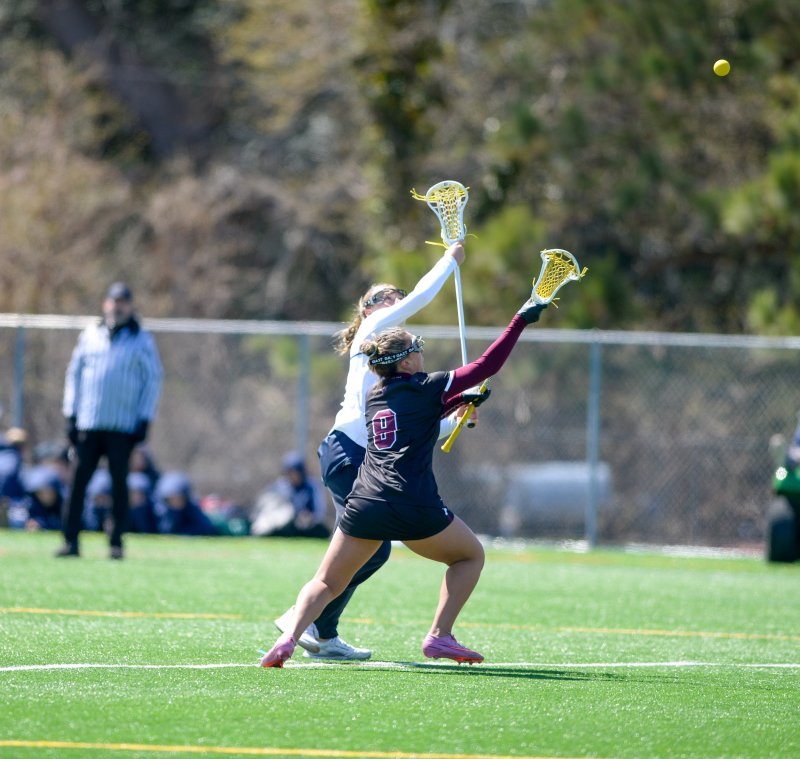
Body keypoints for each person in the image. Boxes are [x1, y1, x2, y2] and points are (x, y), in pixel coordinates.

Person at [260, 293, 548, 668]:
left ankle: (287, 639)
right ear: (407, 360)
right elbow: (486, 364)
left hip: (366, 503)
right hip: (415, 504)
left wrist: (460, 403)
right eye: (418, 346)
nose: (423, 351)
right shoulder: (428, 386)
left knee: (326, 582)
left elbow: (419, 415)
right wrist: (520, 320)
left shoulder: (375, 396)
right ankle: (440, 635)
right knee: (469, 556)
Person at [274, 241, 467, 661]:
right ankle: (306, 621)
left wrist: (455, 420)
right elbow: (422, 296)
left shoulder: (390, 360)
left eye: (397, 296)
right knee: (373, 547)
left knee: (372, 549)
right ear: (368, 310)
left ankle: (319, 631)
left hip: (354, 457)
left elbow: (408, 432)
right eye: (387, 296)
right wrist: (449, 261)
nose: (397, 301)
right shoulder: (373, 329)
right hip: (348, 453)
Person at [56, 282, 163, 560]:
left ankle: (116, 542)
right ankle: (70, 540)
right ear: (106, 304)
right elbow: (74, 374)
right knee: (78, 483)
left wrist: (144, 419)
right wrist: (71, 414)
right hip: (89, 423)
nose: (118, 307)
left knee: (119, 486)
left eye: (123, 302)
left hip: (122, 426)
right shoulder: (90, 334)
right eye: (114, 301)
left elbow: (152, 380)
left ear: (130, 306)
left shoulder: (141, 340)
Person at [251, 452, 331, 539]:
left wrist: (310, 517)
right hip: (283, 523)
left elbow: (318, 511)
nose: (290, 476)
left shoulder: (311, 487)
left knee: (320, 530)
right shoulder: (280, 486)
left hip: (304, 524)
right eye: (288, 473)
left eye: (293, 472)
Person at [153, 471, 219, 536]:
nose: (176, 502)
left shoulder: (191, 510)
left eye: (179, 499)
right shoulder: (157, 512)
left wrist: (184, 534)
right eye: (171, 499)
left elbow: (207, 527)